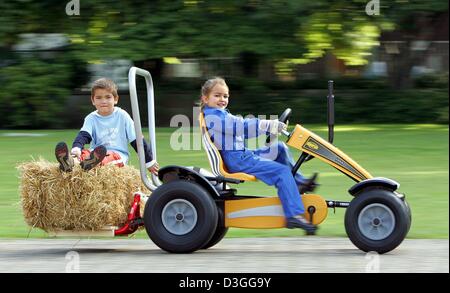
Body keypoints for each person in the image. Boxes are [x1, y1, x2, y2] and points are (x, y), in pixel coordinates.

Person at [200, 77, 318, 233]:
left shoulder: (221, 115)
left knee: (280, 148)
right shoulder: (214, 118)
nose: (222, 99)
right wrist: (266, 125)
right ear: (205, 98)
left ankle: (299, 183)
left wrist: (268, 127)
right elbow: (240, 127)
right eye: (217, 95)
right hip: (239, 161)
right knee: (281, 171)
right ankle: (293, 215)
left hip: (243, 155)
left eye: (225, 96)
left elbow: (242, 130)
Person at [54, 78, 159, 175]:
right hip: (95, 153)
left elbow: (137, 140)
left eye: (108, 97)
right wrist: (76, 148)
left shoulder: (122, 116)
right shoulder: (91, 118)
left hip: (117, 155)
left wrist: (149, 161)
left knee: (109, 159)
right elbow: (83, 135)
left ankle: (90, 164)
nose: (103, 101)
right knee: (84, 153)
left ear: (116, 99)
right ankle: (69, 162)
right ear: (93, 100)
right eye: (99, 98)